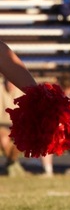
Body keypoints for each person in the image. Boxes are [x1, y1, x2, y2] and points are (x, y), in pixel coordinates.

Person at [0, 40, 37, 177]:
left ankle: (12, 163)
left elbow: (2, 54)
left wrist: (39, 96)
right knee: (4, 137)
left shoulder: (19, 90)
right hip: (2, 126)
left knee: (20, 138)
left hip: (15, 127)